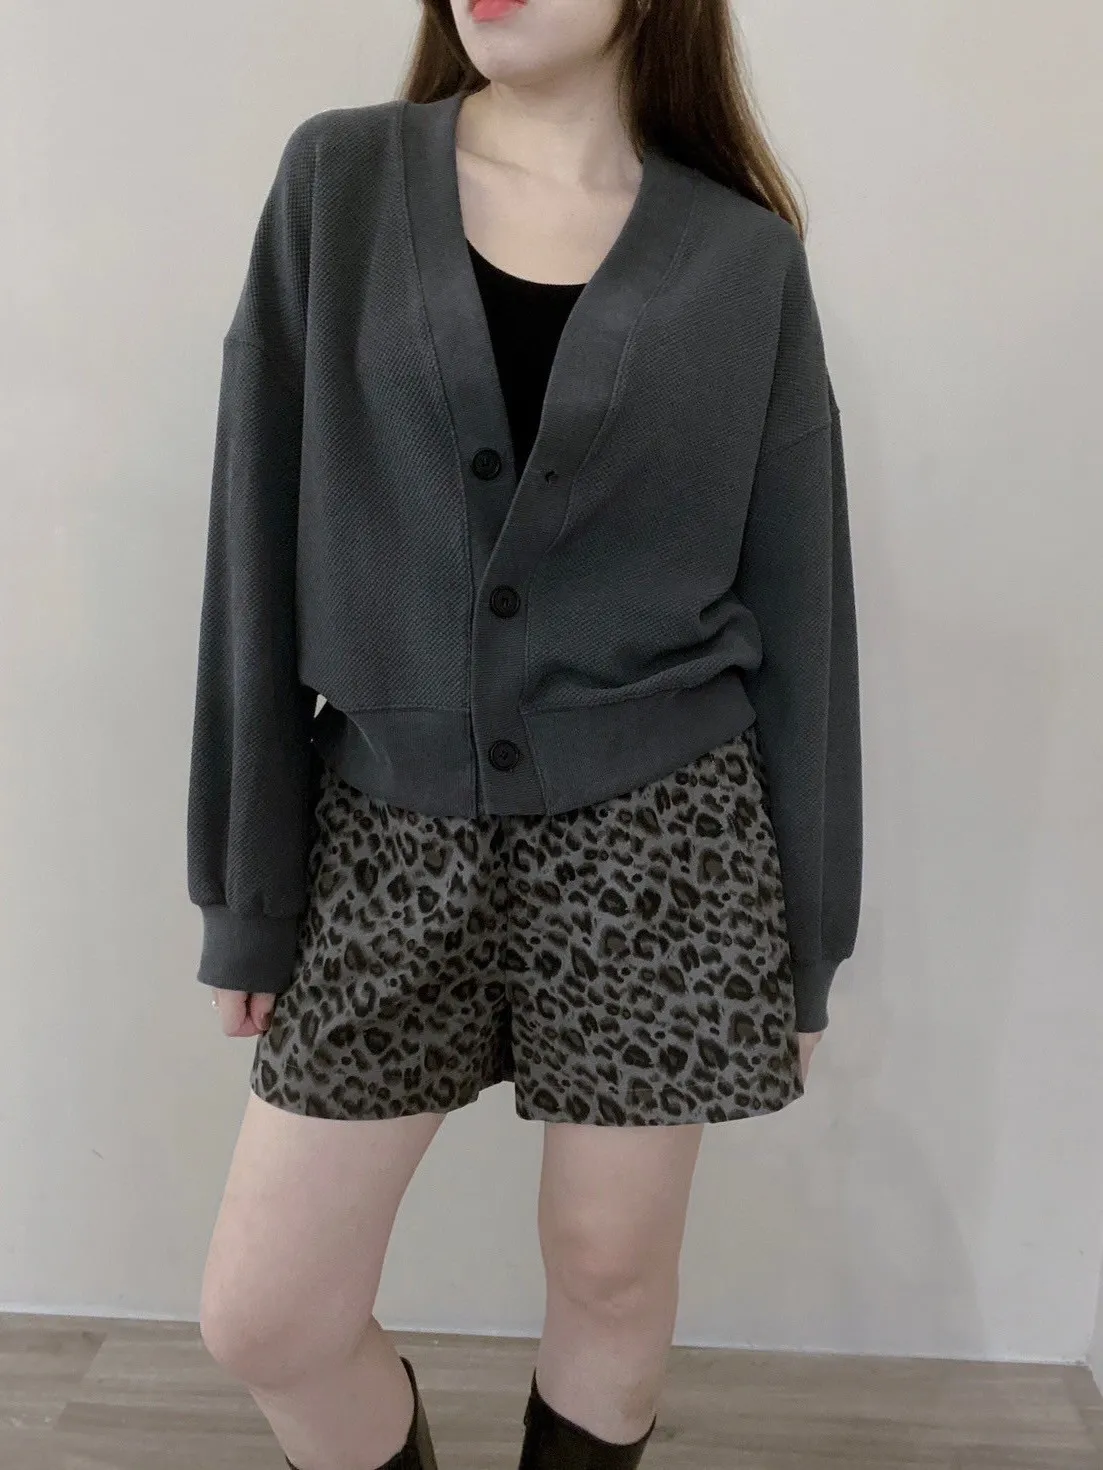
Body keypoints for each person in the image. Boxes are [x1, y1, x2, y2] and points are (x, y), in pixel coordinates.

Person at [186, 0, 863, 1466]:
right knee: (267, 1315)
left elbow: (802, 611)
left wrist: (808, 940)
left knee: (608, 1273)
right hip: (386, 827)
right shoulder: (339, 184)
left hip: (664, 840)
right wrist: (249, 890)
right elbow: (254, 538)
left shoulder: (743, 261)